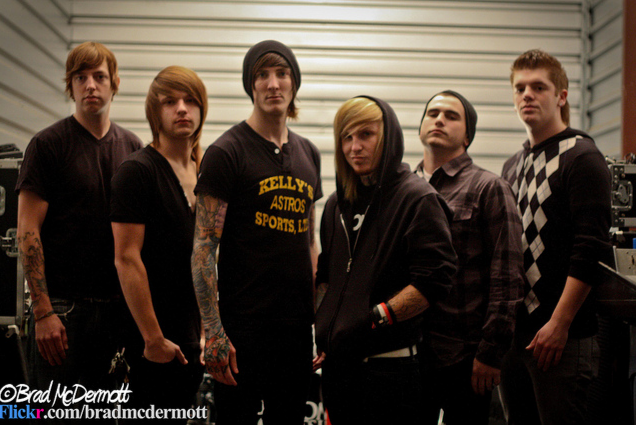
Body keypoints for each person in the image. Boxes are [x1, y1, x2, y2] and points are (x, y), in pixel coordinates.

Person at [191, 40, 322, 425]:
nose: (273, 83)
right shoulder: (226, 152)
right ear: (251, 85)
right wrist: (213, 331)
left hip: (296, 332)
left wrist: (322, 324)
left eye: (282, 73)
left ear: (294, 83)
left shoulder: (309, 153)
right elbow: (203, 250)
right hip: (241, 331)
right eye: (262, 75)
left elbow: (309, 243)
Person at [15, 42, 143, 416]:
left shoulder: (133, 149)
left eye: (99, 76)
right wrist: (43, 312)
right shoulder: (47, 145)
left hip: (117, 315)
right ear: (69, 86)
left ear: (115, 83)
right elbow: (27, 231)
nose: (90, 85)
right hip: (61, 314)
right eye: (80, 77)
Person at [314, 96, 457, 424]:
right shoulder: (336, 205)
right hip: (339, 371)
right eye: (347, 137)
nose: (355, 147)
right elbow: (327, 276)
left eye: (366, 134)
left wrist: (373, 319)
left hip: (392, 372)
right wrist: (324, 329)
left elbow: (433, 282)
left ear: (389, 137)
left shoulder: (418, 198)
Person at [499, 49, 613, 425]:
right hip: (517, 338)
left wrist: (560, 323)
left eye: (538, 87)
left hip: (562, 339)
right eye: (520, 88)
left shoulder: (582, 156)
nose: (527, 95)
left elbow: (591, 249)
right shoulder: (513, 165)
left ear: (561, 96)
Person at [414, 90, 524, 425]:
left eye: (451, 116)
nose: (439, 120)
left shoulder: (489, 187)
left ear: (467, 136)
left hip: (465, 357)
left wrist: (491, 353)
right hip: (411, 353)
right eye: (432, 113)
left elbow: (507, 276)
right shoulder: (404, 188)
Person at [110, 66, 207, 421]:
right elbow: (126, 259)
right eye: (170, 102)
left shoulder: (205, 170)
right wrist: (153, 339)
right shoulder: (137, 171)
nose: (182, 109)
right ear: (155, 112)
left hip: (191, 341)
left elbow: (207, 258)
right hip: (149, 344)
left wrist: (208, 330)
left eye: (190, 100)